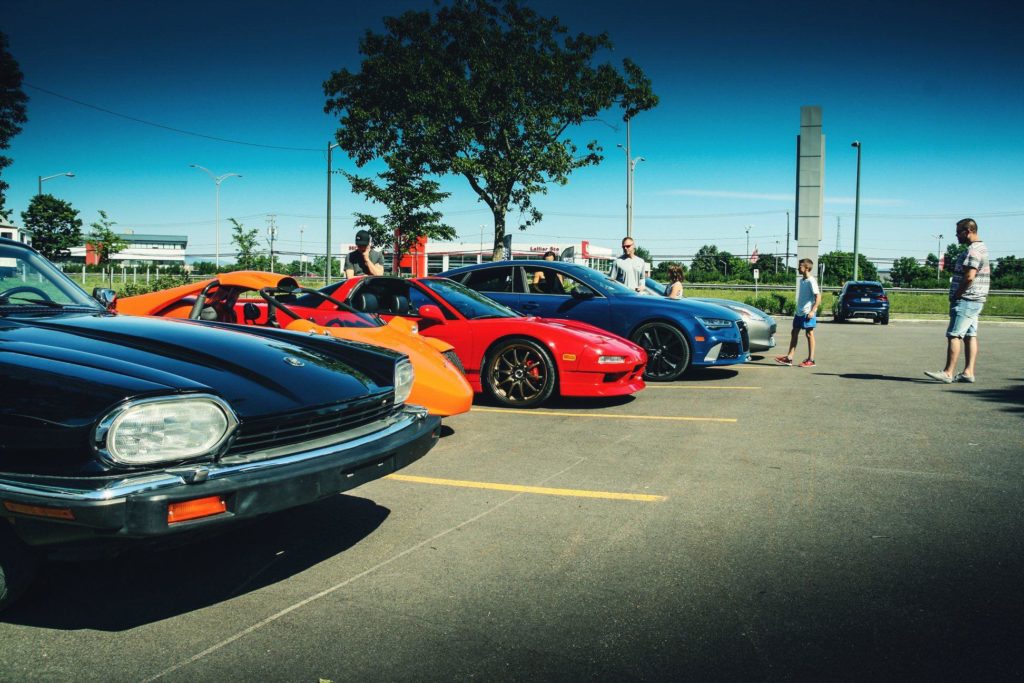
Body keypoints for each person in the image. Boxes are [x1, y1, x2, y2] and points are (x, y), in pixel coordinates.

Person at [925, 218, 990, 383]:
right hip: (976, 299)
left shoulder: (973, 251)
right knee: (970, 335)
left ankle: (948, 372)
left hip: (967, 299)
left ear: (968, 231)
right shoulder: (982, 248)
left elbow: (969, 277)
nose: (956, 236)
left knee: (954, 335)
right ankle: (968, 372)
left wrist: (957, 294)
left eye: (958, 233)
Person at [776, 258, 820, 367]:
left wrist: (813, 311)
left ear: (807, 268)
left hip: (807, 312)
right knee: (794, 332)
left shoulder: (811, 280)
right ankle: (789, 358)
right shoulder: (802, 280)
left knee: (809, 334)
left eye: (800, 266)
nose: (798, 268)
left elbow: (818, 297)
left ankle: (811, 360)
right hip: (799, 312)